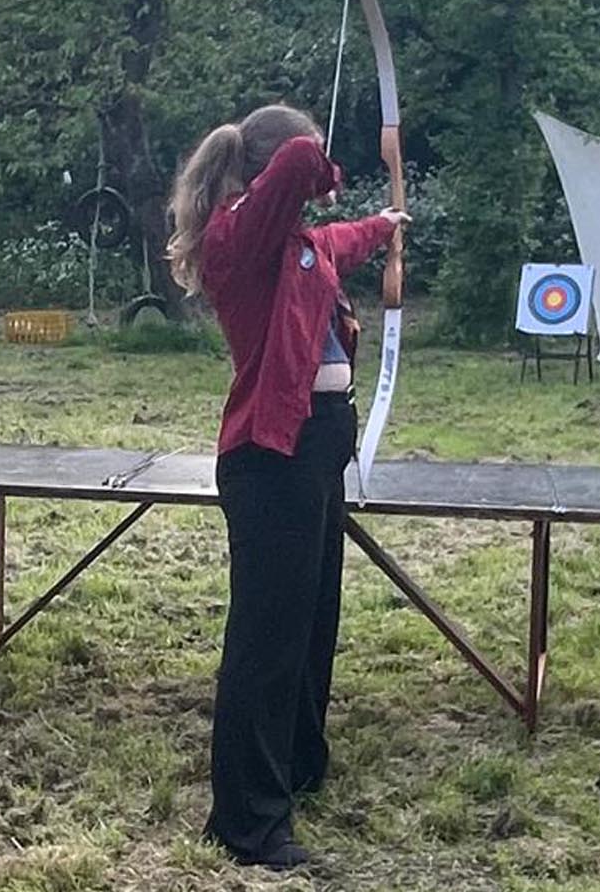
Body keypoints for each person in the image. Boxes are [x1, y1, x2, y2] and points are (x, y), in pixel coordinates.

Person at [166, 104, 411, 869]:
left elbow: (337, 240)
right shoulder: (237, 238)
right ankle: (248, 821)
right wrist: (325, 173)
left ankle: (298, 767)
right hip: (271, 456)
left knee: (311, 617)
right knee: (267, 640)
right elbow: (305, 158)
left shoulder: (295, 245)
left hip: (317, 445)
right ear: (266, 174)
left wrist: (384, 222)